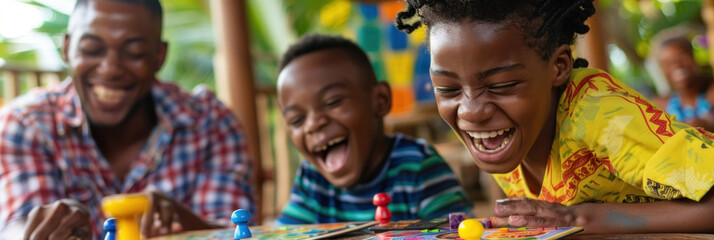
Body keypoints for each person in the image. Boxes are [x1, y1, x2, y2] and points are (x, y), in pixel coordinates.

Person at [395, 0, 714, 234]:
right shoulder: (503, 134)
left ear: (558, 67)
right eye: (448, 89)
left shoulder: (601, 116)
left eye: (502, 85)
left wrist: (578, 219)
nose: (471, 110)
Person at [0, 0, 254, 239]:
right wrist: (41, 231)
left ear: (159, 56)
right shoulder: (27, 124)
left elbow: (236, 230)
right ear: (67, 48)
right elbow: (14, 226)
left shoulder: (211, 123)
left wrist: (186, 223)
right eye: (92, 49)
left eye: (134, 52)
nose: (110, 68)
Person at [274, 34, 472, 224]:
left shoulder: (417, 166)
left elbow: (457, 232)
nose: (312, 124)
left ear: (380, 100)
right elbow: (286, 233)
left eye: (332, 102)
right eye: (297, 119)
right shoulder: (312, 179)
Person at [654, 36, 714, 131]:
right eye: (667, 63)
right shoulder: (660, 105)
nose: (676, 65)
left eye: (682, 57)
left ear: (694, 57)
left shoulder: (711, 90)